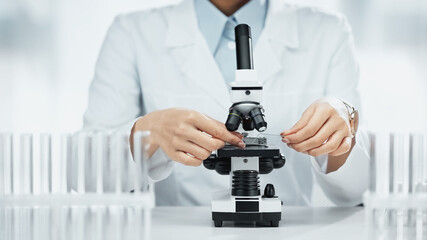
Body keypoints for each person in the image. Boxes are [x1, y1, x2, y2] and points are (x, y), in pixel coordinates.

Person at [84, 0, 370, 206]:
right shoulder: (132, 32)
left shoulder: (329, 31)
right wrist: (144, 135)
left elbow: (356, 190)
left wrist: (340, 131)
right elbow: (88, 175)